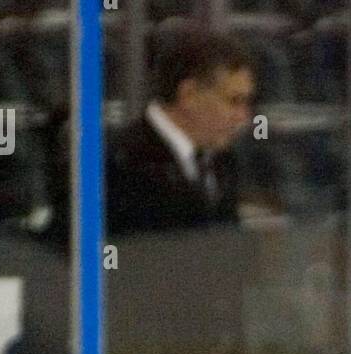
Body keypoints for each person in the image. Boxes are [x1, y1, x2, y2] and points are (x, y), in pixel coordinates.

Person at [105, 25, 254, 236]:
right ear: (189, 95)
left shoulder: (222, 160)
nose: (243, 116)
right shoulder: (117, 165)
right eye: (234, 101)